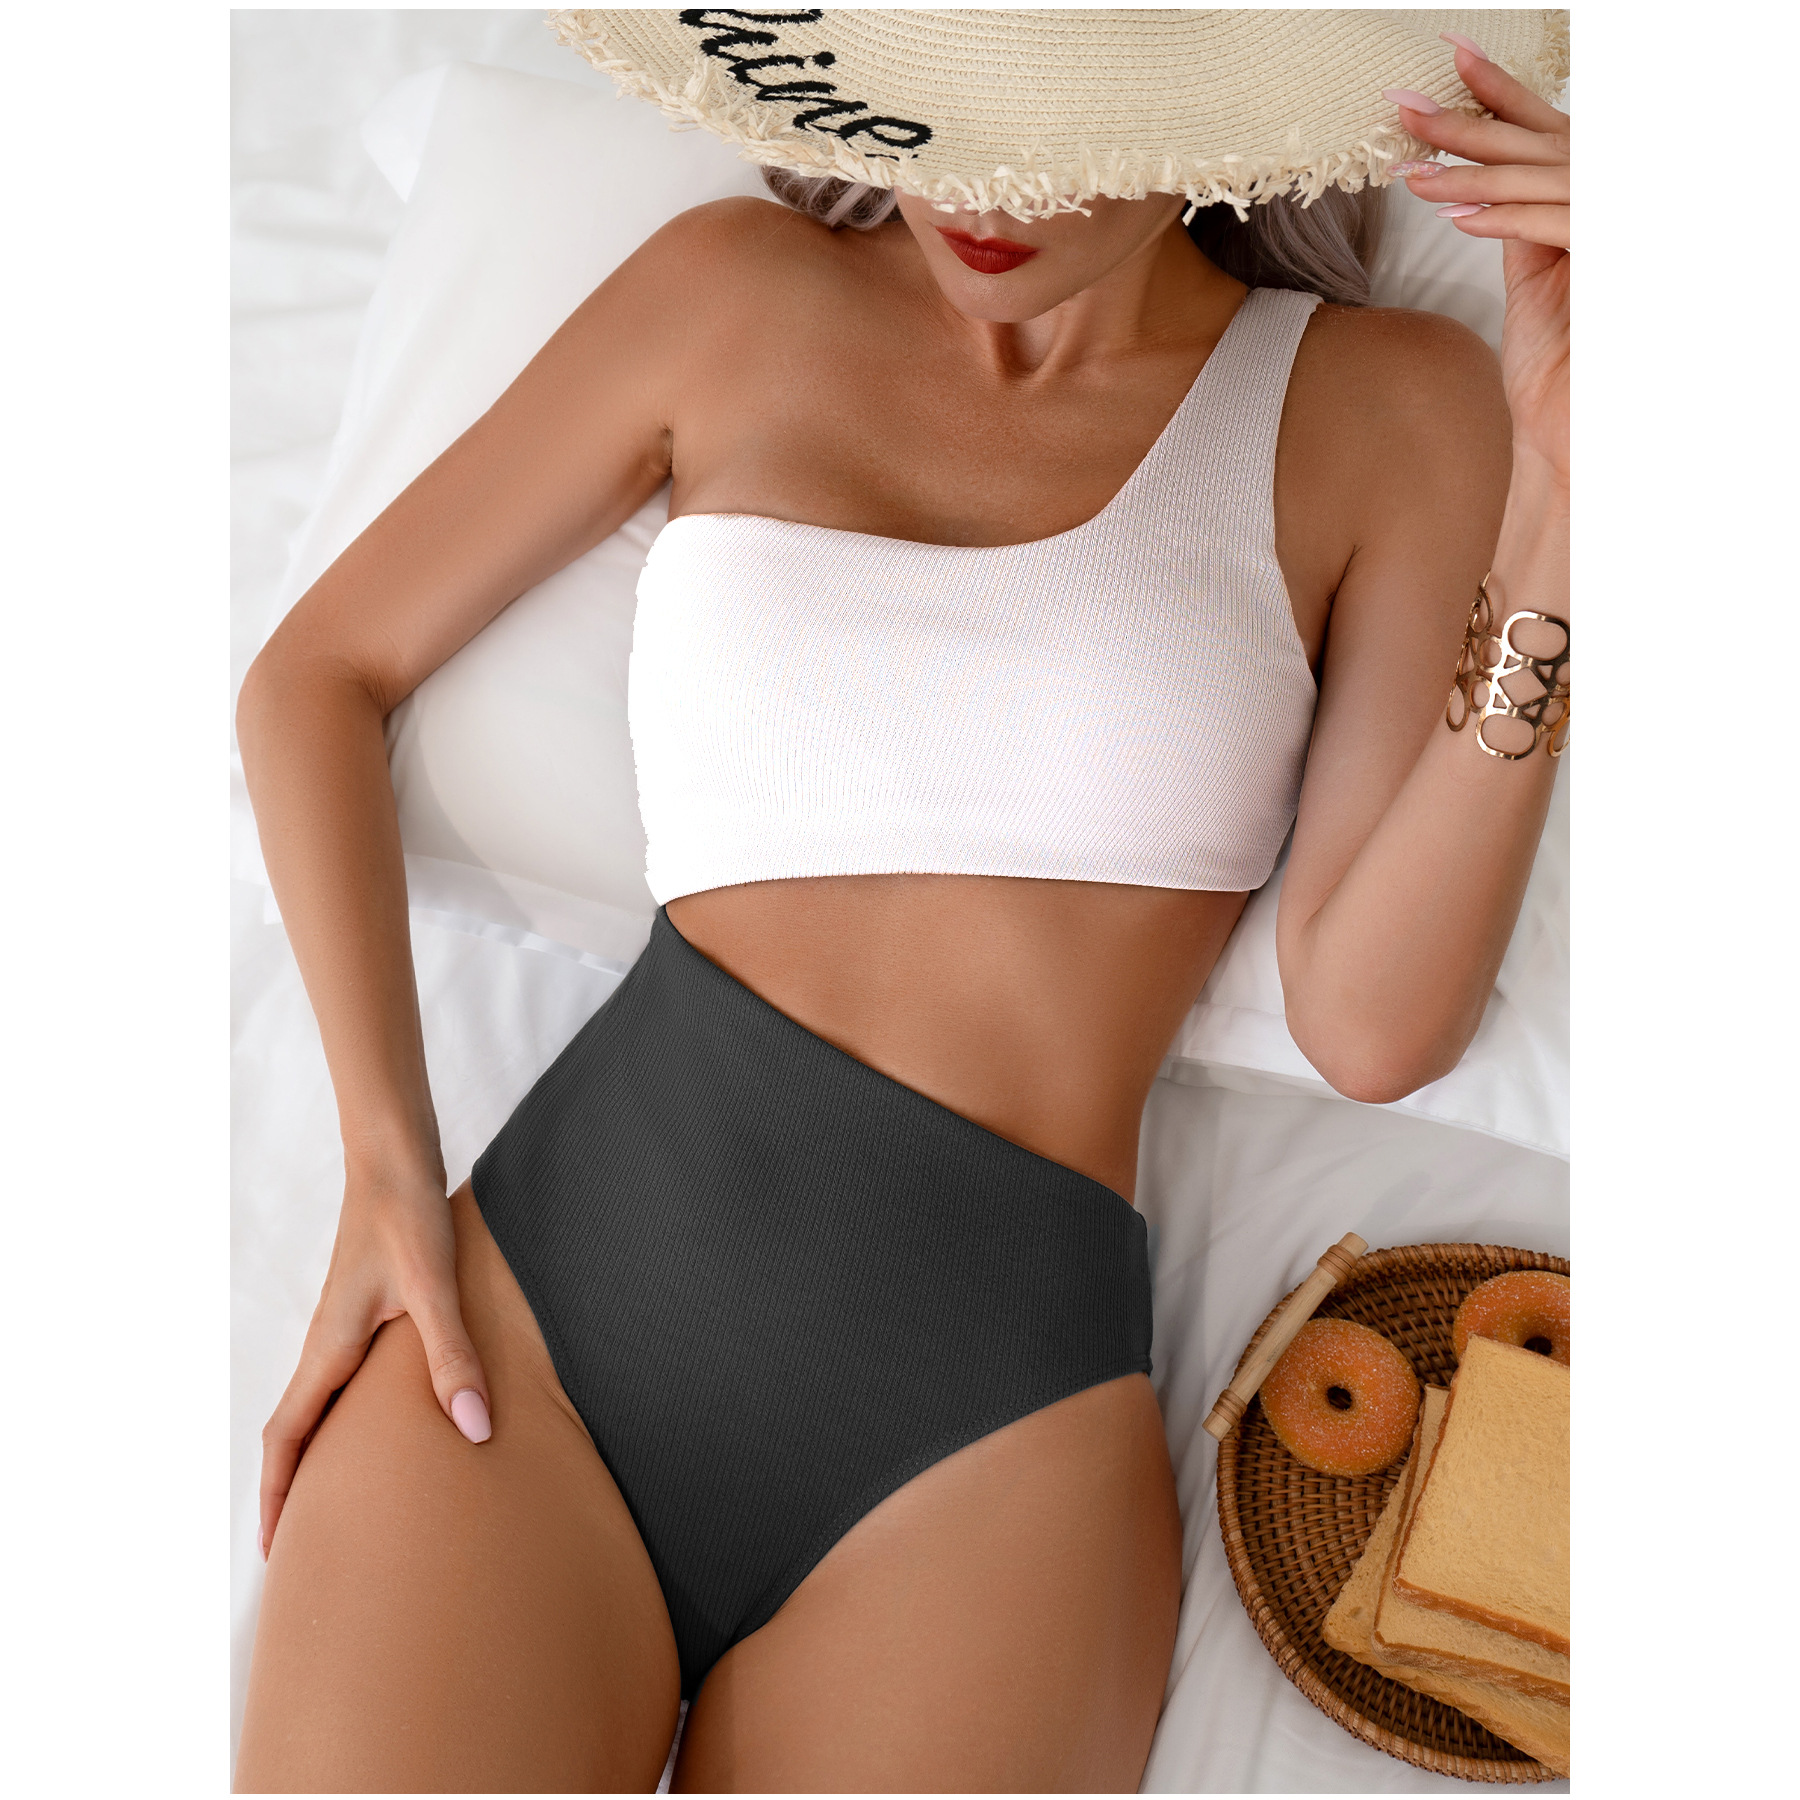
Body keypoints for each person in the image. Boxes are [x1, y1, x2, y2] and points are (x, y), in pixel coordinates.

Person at [233, 12, 1569, 1792]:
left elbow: (1374, 1023)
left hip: (981, 1452)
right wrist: (385, 1171)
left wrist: (1565, 508)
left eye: (1048, 127)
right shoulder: (733, 290)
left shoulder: (1385, 403)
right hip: (530, 1338)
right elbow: (315, 677)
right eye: (939, 107)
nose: (977, 189)